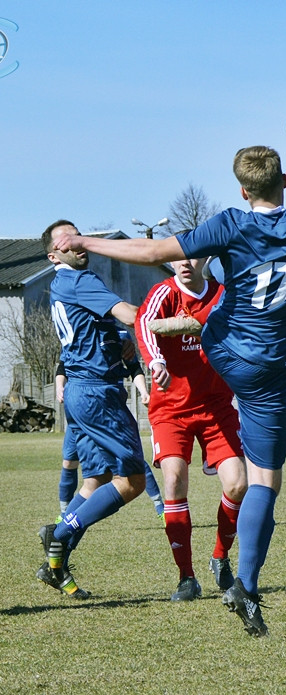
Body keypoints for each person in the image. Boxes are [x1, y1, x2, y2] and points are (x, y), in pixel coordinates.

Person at [56, 145, 286, 636]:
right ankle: (245, 584)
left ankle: (189, 325)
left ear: (242, 190)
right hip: (267, 369)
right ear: (282, 181)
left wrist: (86, 239)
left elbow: (153, 251)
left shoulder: (230, 222)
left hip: (223, 353)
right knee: (264, 483)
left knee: (212, 315)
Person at [36, 221, 152, 599]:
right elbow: (133, 315)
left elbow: (95, 327)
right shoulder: (81, 281)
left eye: (76, 235)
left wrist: (115, 342)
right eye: (65, 241)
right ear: (54, 255)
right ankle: (60, 531)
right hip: (98, 394)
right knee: (133, 481)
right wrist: (190, 322)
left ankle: (55, 564)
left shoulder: (60, 285)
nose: (76, 243)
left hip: (80, 392)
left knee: (95, 482)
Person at [136, 255, 247, 602]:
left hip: (215, 405)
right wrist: (156, 362)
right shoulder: (164, 294)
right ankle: (186, 577)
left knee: (238, 483)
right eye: (177, 258)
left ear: (207, 259)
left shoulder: (223, 296)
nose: (185, 263)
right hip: (170, 408)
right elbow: (144, 325)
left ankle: (220, 557)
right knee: (173, 479)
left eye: (193, 256)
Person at [53, 342, 165, 520]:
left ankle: (161, 509)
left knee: (129, 462)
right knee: (71, 463)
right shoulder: (76, 335)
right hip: (82, 407)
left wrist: (144, 391)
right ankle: (63, 517)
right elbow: (62, 368)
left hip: (108, 408)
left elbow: (134, 367)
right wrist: (60, 387)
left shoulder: (118, 336)